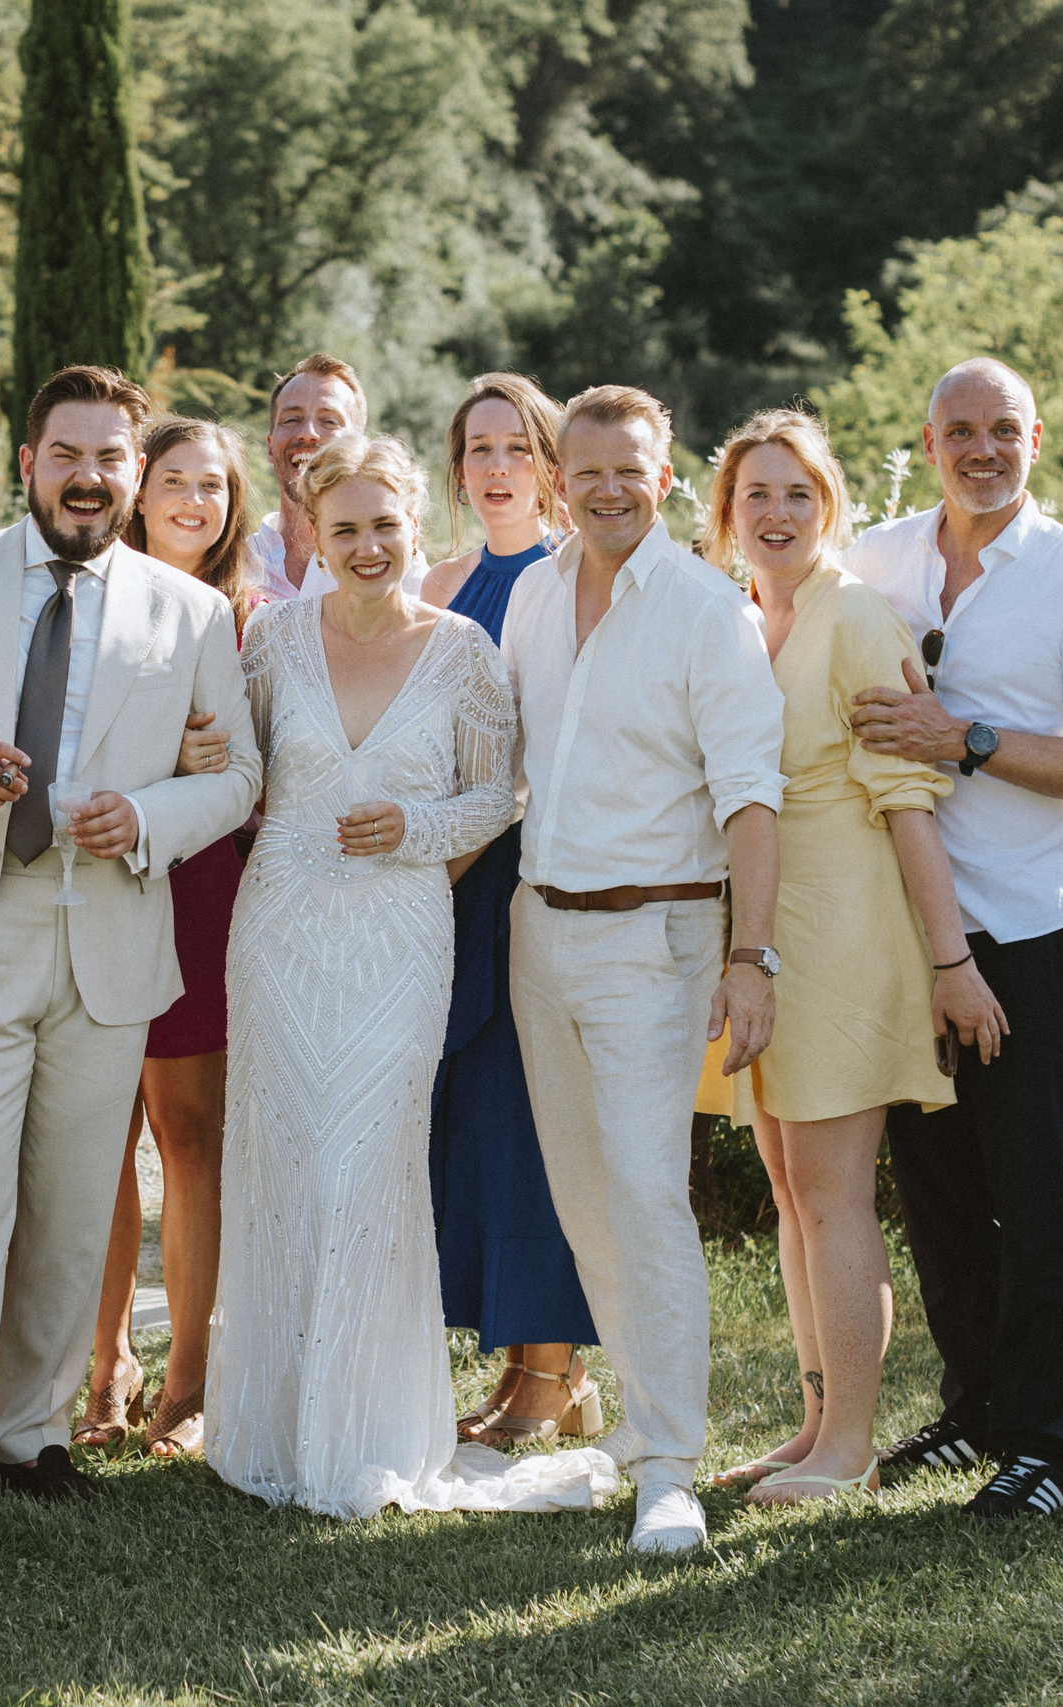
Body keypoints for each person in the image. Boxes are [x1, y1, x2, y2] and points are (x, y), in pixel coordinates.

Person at [0, 365, 261, 1543]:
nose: (88, 476)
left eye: (110, 457)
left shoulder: (187, 613)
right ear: (28, 462)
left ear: (133, 472)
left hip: (108, 930)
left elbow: (233, 779)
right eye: (67, 454)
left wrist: (151, 820)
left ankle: (33, 1437)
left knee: (75, 1210)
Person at [206, 431, 611, 1520]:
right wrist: (204, 759)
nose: (368, 545)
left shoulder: (464, 649)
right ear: (312, 535)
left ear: (413, 526)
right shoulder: (272, 641)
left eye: (385, 525)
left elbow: (497, 796)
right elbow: (237, 768)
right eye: (344, 528)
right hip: (281, 929)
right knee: (285, 1160)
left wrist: (415, 827)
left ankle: (366, 1428)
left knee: (368, 1163)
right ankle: (276, 1422)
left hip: (398, 934)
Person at [844, 357, 1063, 1521]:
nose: (982, 450)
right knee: (934, 1190)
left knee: (1034, 1193)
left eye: (1003, 432)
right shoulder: (875, 558)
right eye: (959, 431)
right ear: (929, 442)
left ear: (1035, 438)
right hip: (902, 928)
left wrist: (961, 737)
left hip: (1023, 926)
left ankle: (1039, 1447)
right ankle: (971, 1409)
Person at [697, 409, 1007, 1505]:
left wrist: (950, 961)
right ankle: (813, 1422)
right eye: (754, 497)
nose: (774, 514)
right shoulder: (741, 623)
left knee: (832, 1195)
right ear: (726, 515)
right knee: (787, 1190)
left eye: (796, 495)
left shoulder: (857, 621)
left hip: (847, 935)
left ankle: (851, 1447)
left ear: (828, 506)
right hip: (766, 937)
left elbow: (908, 806)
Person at [498, 384, 786, 1555]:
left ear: (664, 478)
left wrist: (749, 956)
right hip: (539, 927)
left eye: (632, 469)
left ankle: (671, 1466)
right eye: (588, 470)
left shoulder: (705, 610)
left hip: (655, 937)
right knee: (584, 1199)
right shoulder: (528, 591)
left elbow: (752, 799)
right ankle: (636, 1419)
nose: (609, 489)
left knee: (648, 1197)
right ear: (557, 477)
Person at [414, 374, 602, 1449]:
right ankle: (520, 1364)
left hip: (520, 873)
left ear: (546, 465)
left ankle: (555, 1371)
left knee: (528, 1117)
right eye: (475, 450)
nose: (493, 470)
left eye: (512, 449)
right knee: (472, 1124)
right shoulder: (439, 582)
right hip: (442, 881)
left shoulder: (567, 577)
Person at [74, 417, 258, 1459]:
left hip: (200, 888)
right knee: (98, 1136)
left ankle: (186, 1375)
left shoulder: (256, 621)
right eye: (176, 480)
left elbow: (266, 770)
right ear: (140, 489)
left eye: (215, 486)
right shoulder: (84, 604)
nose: (194, 501)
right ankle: (105, 1365)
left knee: (190, 1138)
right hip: (97, 876)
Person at [245, 354, 429, 602]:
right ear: (269, 446)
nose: (308, 432)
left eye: (329, 421)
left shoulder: (395, 564)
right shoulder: (239, 560)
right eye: (291, 419)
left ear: (358, 446)